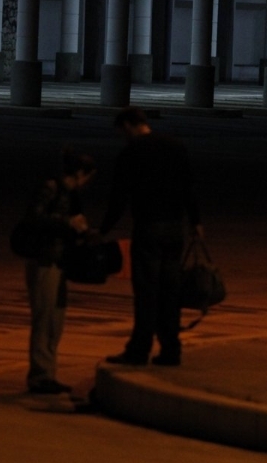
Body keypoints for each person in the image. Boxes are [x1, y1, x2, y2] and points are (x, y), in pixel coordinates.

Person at [99, 107, 202, 366]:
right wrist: (196, 221)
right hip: (175, 228)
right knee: (170, 292)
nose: (123, 136)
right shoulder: (175, 147)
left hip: (148, 228)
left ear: (128, 125)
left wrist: (101, 230)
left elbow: (119, 198)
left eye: (122, 131)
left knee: (146, 292)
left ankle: (139, 349)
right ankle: (171, 349)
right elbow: (189, 186)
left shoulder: (131, 152)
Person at [23, 148, 96, 394]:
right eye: (88, 177)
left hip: (61, 261)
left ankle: (48, 372)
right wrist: (67, 223)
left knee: (56, 319)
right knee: (44, 317)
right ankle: (40, 375)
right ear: (80, 173)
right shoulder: (51, 188)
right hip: (45, 260)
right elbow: (33, 217)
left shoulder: (71, 195)